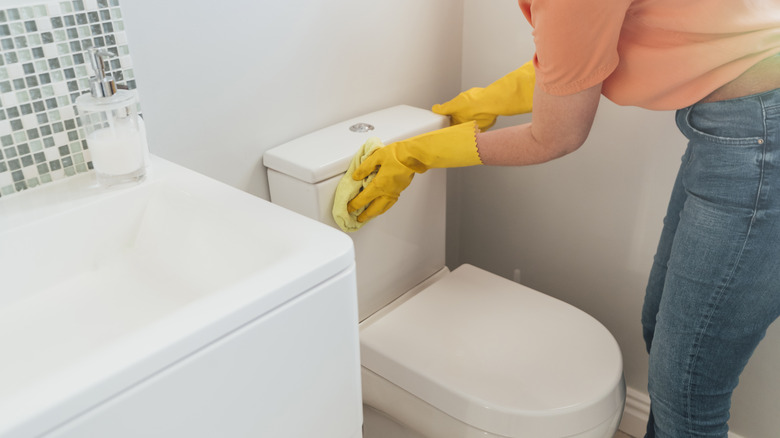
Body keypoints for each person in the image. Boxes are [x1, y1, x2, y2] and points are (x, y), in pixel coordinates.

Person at [346, 1, 780, 437]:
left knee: (687, 391)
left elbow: (556, 135)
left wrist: (421, 153)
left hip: (758, 133)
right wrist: (486, 101)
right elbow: (588, 53)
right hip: (737, 127)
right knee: (666, 343)